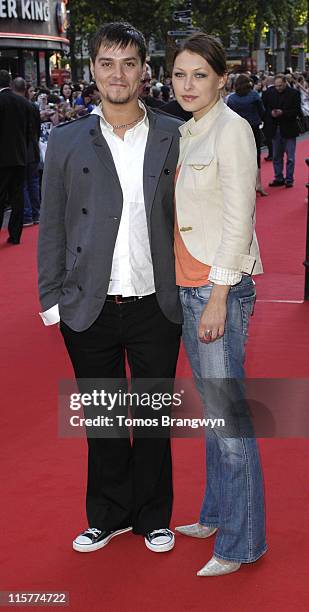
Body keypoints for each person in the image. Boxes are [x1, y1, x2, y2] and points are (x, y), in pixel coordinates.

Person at [38, 22, 182, 555]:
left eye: (128, 63)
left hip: (155, 303)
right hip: (88, 304)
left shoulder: (173, 135)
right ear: (92, 70)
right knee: (102, 417)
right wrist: (50, 298)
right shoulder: (68, 139)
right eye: (106, 62)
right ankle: (107, 514)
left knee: (151, 417)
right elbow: (51, 222)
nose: (117, 74)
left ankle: (153, 516)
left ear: (145, 70)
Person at [171, 33, 267, 576]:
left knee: (228, 417)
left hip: (216, 288)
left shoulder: (231, 130)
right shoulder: (189, 130)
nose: (188, 85)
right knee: (213, 412)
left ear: (222, 79)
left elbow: (240, 218)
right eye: (180, 74)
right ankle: (215, 513)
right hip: (191, 285)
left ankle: (241, 541)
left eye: (199, 75)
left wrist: (219, 294)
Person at [0, 69, 30, 244]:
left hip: (2, 159)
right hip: (20, 156)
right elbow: (30, 130)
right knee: (17, 196)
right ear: (10, 83)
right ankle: (15, 235)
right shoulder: (24, 103)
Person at [227, 73, 268, 195]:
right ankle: (258, 184)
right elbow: (262, 112)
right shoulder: (254, 96)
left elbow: (228, 116)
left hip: (238, 131)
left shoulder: (232, 98)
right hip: (253, 128)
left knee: (241, 157)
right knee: (255, 156)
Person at [263, 73, 301, 188]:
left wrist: (283, 113)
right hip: (275, 128)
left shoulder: (294, 93)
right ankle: (278, 178)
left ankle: (289, 179)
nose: (278, 88)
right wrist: (271, 113)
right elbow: (265, 108)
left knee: (290, 157)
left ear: (285, 83)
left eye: (280, 85)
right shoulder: (270, 93)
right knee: (276, 156)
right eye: (276, 86)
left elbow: (297, 111)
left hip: (289, 128)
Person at [11, 77, 41, 226]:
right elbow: (38, 128)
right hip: (33, 148)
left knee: (23, 184)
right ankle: (36, 213)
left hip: (21, 150)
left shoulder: (16, 106)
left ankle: (28, 215)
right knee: (34, 183)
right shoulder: (33, 107)